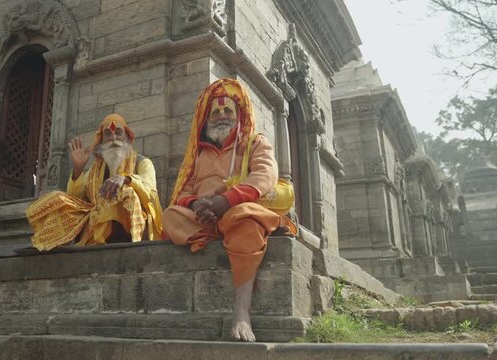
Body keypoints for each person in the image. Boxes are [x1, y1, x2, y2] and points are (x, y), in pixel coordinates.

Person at [163, 79, 296, 342]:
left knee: (244, 220)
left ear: (238, 115)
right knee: (169, 215)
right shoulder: (199, 154)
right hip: (205, 218)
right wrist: (196, 204)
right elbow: (183, 192)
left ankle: (241, 313)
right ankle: (217, 230)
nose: (222, 116)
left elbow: (265, 175)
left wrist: (227, 200)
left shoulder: (255, 142)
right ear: (207, 118)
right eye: (216, 112)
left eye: (227, 112)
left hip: (238, 211)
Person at [26, 113, 163, 250]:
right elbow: (76, 199)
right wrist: (78, 170)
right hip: (95, 220)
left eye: (118, 133)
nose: (113, 138)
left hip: (132, 224)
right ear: (102, 140)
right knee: (57, 198)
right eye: (108, 134)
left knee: (126, 192)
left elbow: (151, 191)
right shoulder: (94, 169)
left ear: (126, 138)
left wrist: (126, 179)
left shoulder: (142, 162)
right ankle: (49, 243)